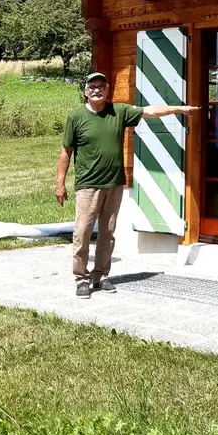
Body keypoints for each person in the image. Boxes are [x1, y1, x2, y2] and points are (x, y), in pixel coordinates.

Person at [55, 72, 199, 299]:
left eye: (101, 86)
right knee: (82, 232)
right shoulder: (76, 117)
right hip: (88, 185)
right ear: (85, 91)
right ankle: (81, 278)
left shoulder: (119, 112)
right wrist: (59, 183)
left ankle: (100, 276)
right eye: (92, 86)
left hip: (114, 184)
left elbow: (149, 111)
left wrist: (180, 109)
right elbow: (66, 152)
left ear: (107, 89)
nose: (96, 90)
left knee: (107, 233)